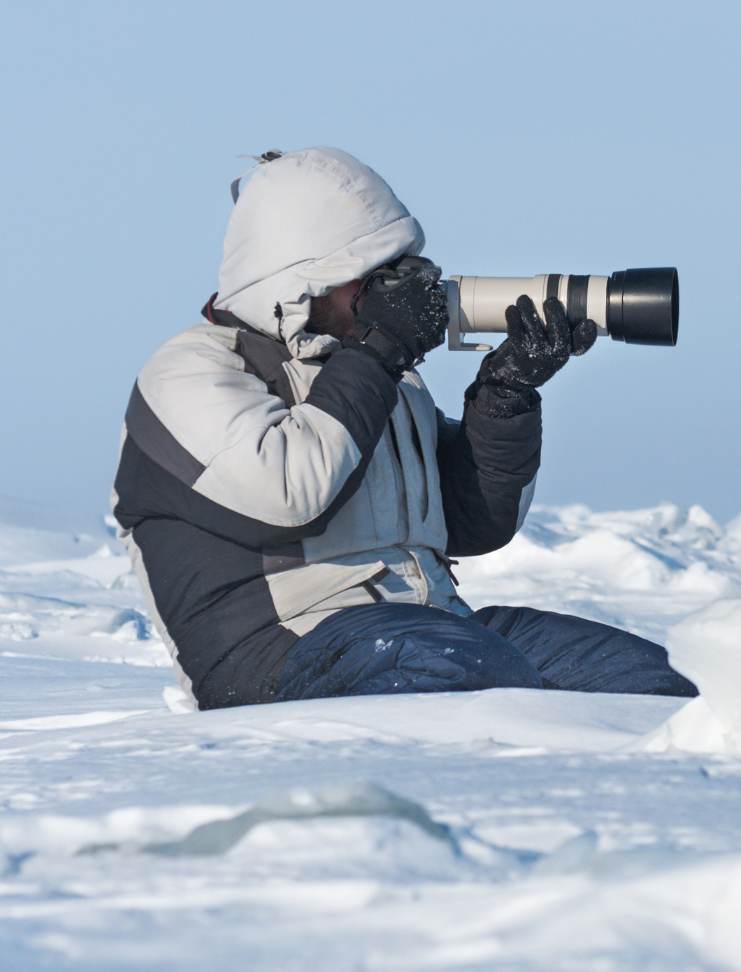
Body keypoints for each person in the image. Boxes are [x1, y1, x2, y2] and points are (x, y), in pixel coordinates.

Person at [111, 147, 696, 710]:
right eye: (368, 275)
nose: (391, 289)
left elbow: (473, 523)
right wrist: (377, 352)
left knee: (653, 683)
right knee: (470, 675)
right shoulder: (191, 371)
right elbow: (290, 495)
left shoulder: (374, 377)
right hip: (279, 651)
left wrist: (504, 396)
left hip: (435, 628)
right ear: (295, 284)